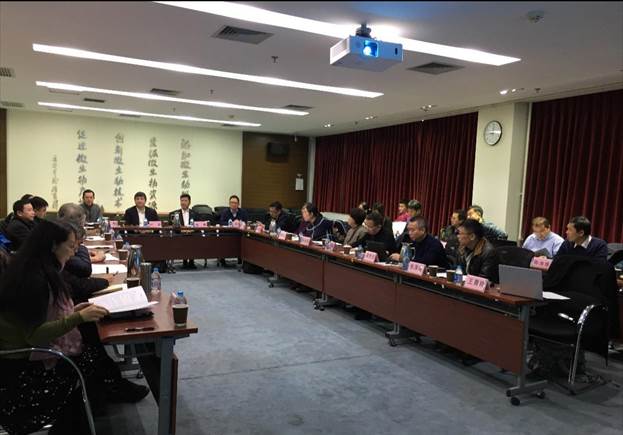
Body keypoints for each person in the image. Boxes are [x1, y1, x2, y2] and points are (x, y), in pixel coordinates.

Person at [0, 220, 146, 434]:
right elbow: (34, 336)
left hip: (22, 357)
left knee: (91, 347)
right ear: (53, 245)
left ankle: (96, 404)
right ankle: (81, 415)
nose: (74, 251)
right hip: (22, 370)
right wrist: (75, 318)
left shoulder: (34, 267)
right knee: (90, 357)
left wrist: (74, 312)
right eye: (70, 246)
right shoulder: (33, 280)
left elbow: (45, 315)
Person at [457, 219, 500, 283]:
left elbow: (484, 280)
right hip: (464, 285)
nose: (458, 236)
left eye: (460, 234)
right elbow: (458, 271)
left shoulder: (488, 252)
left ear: (472, 236)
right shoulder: (462, 248)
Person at [170, 193, 197, 269]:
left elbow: (197, 225)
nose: (183, 202)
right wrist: (182, 230)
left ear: (189, 202)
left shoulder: (195, 214)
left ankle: (191, 261)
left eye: (185, 200)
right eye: (182, 200)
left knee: (194, 239)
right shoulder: (174, 214)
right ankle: (184, 261)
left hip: (192, 234)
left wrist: (191, 230)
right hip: (179, 234)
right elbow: (171, 226)